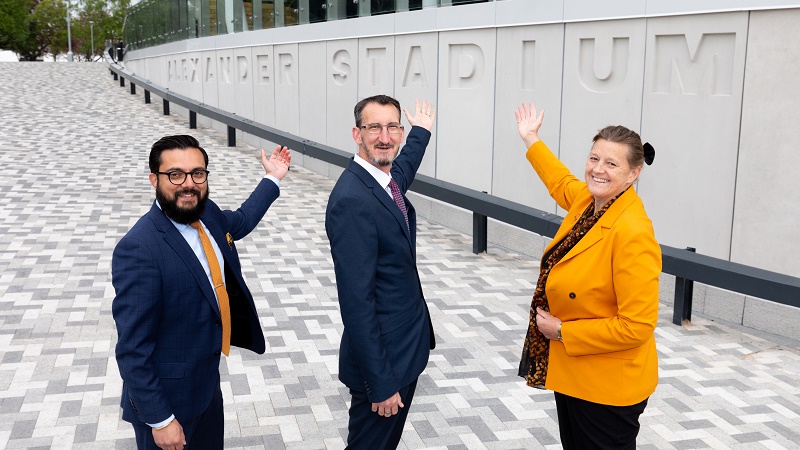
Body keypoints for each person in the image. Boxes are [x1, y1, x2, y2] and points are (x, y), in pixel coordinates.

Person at [112, 135, 291, 450]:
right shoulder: (140, 248)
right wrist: (161, 420)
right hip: (168, 403)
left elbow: (242, 220)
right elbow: (133, 349)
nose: (188, 184)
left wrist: (272, 178)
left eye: (197, 173)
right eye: (175, 175)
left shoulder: (208, 215)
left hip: (206, 387)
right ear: (154, 179)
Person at [514, 102, 660, 449]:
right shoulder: (588, 202)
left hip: (608, 386)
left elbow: (637, 326)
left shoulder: (632, 232)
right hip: (578, 373)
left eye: (612, 163)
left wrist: (562, 331)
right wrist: (531, 139)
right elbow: (559, 179)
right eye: (594, 158)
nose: (598, 169)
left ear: (633, 173)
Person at [325, 95, 436, 449]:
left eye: (392, 127)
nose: (384, 136)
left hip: (404, 351)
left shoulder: (382, 182)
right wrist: (381, 384)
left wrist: (421, 132)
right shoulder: (352, 201)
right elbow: (357, 303)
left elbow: (402, 170)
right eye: (374, 127)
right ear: (357, 134)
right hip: (384, 366)